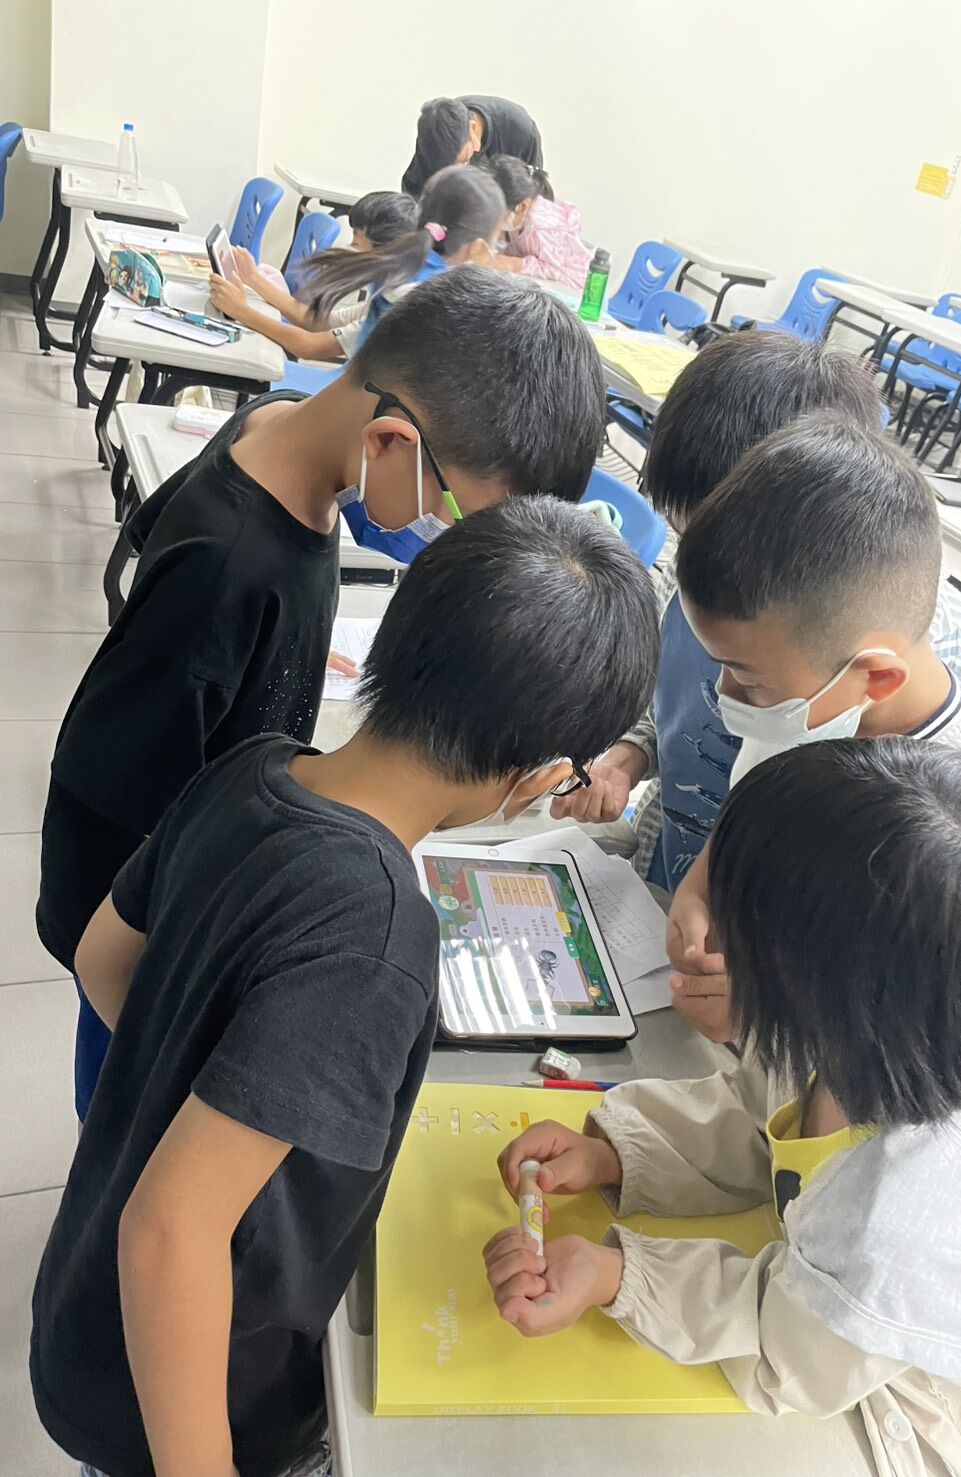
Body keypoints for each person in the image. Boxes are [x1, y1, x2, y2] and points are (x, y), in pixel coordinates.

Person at [31, 497, 661, 1477]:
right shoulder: (376, 936)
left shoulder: (253, 767)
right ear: (539, 775)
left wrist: (184, 1085)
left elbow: (102, 956)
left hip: (91, 1313)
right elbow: (171, 1232)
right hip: (185, 1398)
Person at [36, 268, 606, 1122]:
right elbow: (109, 778)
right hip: (136, 922)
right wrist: (154, 987)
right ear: (389, 442)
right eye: (459, 514)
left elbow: (157, 544)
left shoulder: (280, 432)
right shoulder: (229, 569)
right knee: (121, 1113)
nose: (448, 536)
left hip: (204, 852)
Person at [486, 738, 961, 1475]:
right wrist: (616, 1152)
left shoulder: (901, 1219)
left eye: (732, 923)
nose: (707, 938)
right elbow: (758, 1120)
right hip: (840, 1320)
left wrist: (619, 1275)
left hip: (914, 1414)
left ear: (814, 989)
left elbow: (787, 1351)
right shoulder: (870, 1040)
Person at [552, 332, 961, 892]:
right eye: (686, 535)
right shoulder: (706, 573)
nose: (725, 687)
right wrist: (630, 754)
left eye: (748, 678)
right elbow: (669, 702)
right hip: (676, 861)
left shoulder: (895, 645)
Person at [658, 414, 961, 1041]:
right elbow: (749, 803)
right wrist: (700, 887)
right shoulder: (808, 693)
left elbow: (916, 1039)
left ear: (877, 677)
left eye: (749, 681)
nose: (725, 695)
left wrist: (770, 1019)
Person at [208, 171, 501, 362]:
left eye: (357, 243)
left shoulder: (412, 294)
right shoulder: (410, 282)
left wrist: (242, 311)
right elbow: (317, 322)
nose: (352, 249)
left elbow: (310, 346)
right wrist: (254, 279)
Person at [296, 164, 506, 343]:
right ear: (478, 247)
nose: (496, 249)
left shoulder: (408, 271)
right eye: (496, 241)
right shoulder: (439, 297)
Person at [475, 155, 592, 290]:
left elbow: (558, 271)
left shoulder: (543, 227)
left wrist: (513, 264)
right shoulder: (518, 216)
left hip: (574, 288)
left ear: (523, 207)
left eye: (497, 213)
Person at [402, 93, 543, 198]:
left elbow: (535, 195)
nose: (459, 171)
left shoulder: (521, 132)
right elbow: (414, 193)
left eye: (464, 161)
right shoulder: (434, 133)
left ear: (473, 128)